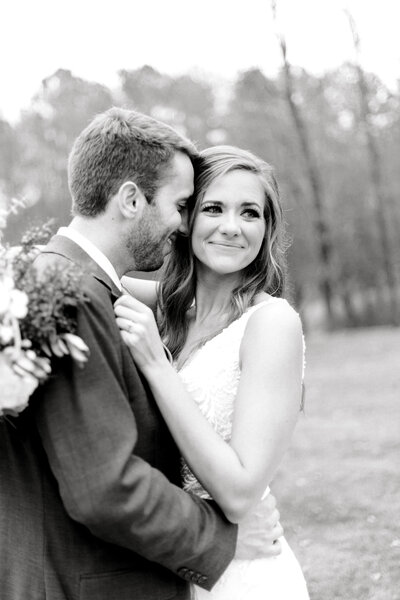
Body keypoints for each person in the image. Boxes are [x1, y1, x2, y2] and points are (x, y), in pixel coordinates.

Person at [0, 110, 282, 600]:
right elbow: (103, 488)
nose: (182, 223)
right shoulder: (71, 295)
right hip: (92, 580)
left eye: (248, 213)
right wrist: (222, 539)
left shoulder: (55, 283)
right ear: (132, 199)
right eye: (182, 205)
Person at [116, 145, 310, 599]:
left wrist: (155, 364)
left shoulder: (272, 324)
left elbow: (241, 494)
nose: (231, 226)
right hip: (172, 562)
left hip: (243, 573)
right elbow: (88, 269)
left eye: (250, 213)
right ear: (185, 218)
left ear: (267, 227)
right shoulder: (168, 307)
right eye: (213, 208)